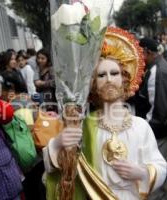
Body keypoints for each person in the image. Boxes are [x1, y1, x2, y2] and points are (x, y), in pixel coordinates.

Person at [43, 27, 167, 200]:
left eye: (114, 73)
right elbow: (61, 171)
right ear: (93, 84)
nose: (109, 79)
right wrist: (57, 144)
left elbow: (160, 165)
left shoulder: (140, 126)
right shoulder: (83, 126)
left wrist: (141, 172)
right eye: (101, 75)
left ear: (124, 80)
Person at [135, 37, 167, 199]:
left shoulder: (157, 71)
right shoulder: (157, 66)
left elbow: (158, 111)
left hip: (158, 133)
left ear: (147, 52)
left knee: (156, 180)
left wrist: (142, 132)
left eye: (140, 54)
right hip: (158, 131)